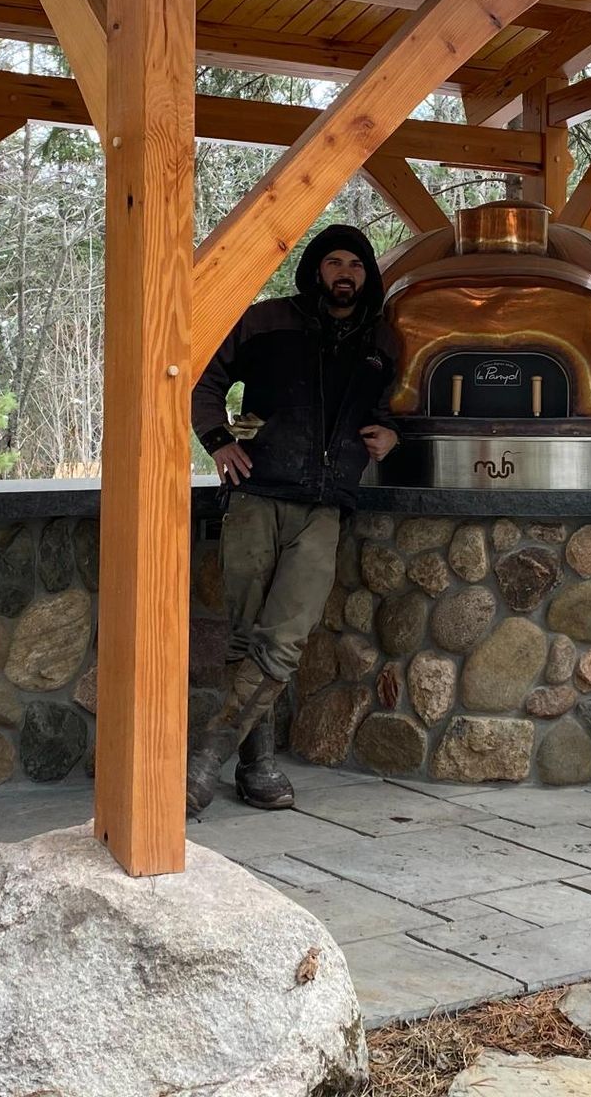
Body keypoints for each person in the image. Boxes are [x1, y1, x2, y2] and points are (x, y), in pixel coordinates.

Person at [186, 224, 400, 815]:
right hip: (256, 496)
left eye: (354, 264)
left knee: (283, 641)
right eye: (333, 261)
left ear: (366, 275)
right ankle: (257, 765)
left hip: (326, 507)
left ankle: (204, 761)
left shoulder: (381, 341)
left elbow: (392, 408)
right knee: (244, 635)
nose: (344, 273)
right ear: (315, 270)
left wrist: (392, 433)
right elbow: (200, 378)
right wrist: (217, 440)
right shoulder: (265, 322)